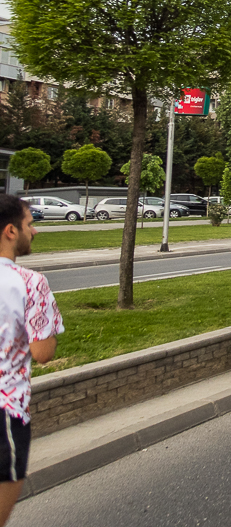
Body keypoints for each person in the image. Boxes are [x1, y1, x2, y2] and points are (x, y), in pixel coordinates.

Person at [0, 195, 62, 526]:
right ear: (11, 231)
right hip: (5, 411)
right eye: (29, 224)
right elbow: (43, 353)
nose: (34, 231)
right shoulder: (31, 283)